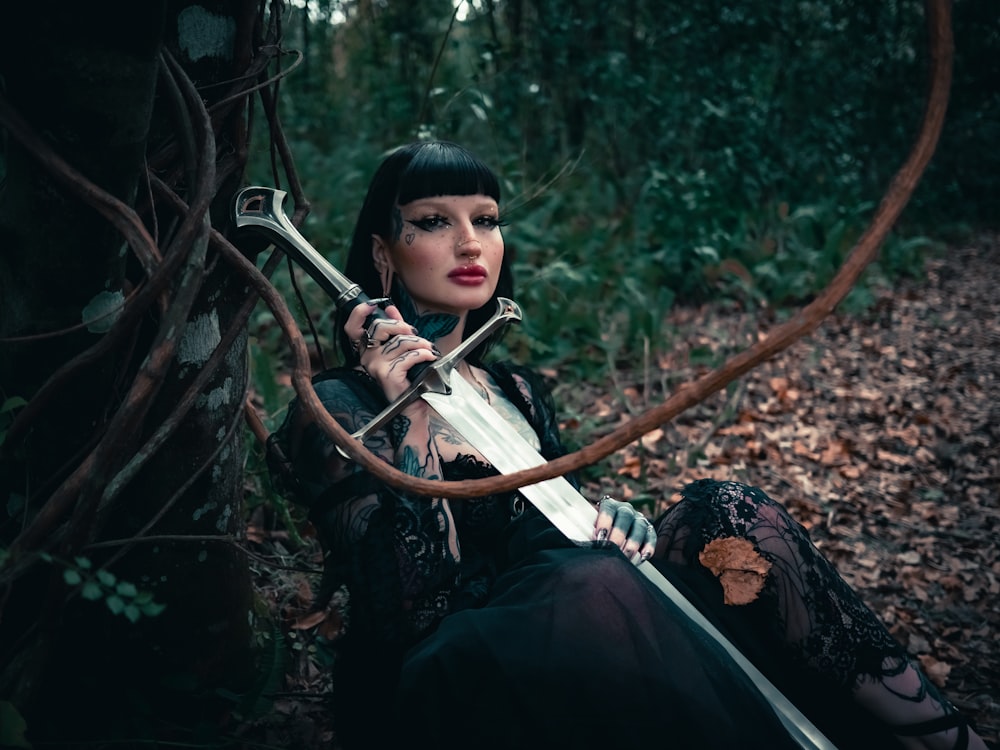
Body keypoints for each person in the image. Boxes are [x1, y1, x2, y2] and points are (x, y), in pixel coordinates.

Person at [270, 141, 988, 750]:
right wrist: (408, 412)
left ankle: (944, 739)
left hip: (587, 614)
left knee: (725, 511)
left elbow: (559, 528)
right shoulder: (334, 409)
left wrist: (615, 521)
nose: (469, 243)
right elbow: (409, 616)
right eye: (433, 221)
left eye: (485, 220)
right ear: (382, 252)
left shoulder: (515, 391)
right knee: (592, 587)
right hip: (450, 680)